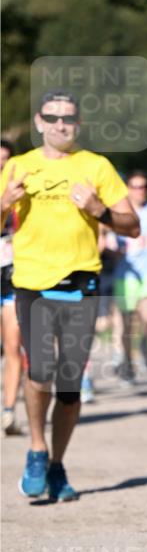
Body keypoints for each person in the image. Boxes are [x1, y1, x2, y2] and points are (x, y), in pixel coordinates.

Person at [0, 90, 139, 501]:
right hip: (32, 282)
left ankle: (58, 464)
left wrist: (100, 210)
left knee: (69, 384)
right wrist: (5, 201)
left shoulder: (96, 165)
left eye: (69, 119)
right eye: (53, 117)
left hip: (82, 282)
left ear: (77, 125)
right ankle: (37, 451)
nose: (61, 124)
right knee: (40, 369)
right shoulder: (18, 166)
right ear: (40, 122)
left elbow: (131, 225)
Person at [112, 171, 147, 383]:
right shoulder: (117, 210)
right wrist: (110, 249)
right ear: (127, 189)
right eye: (135, 186)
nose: (139, 191)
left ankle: (143, 343)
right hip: (125, 273)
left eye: (143, 186)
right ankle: (127, 363)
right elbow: (104, 234)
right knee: (126, 322)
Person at [1, 139, 23, 435]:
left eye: (6, 159)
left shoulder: (21, 188)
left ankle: (8, 411)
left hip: (12, 271)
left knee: (13, 345)